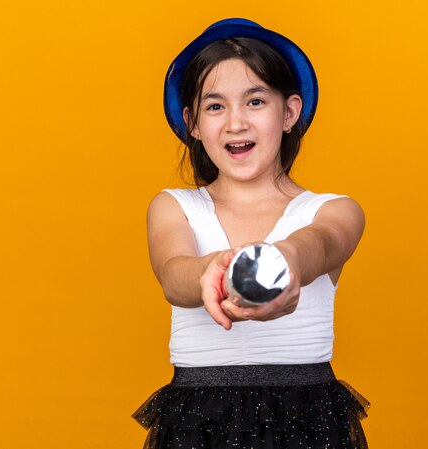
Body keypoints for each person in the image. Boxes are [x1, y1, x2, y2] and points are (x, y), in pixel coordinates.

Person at [133, 18, 370, 449]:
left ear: (289, 113)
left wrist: (286, 261)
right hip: (196, 423)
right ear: (193, 123)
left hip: (307, 422)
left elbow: (318, 243)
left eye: (256, 101)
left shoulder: (335, 210)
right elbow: (174, 273)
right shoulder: (175, 207)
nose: (236, 123)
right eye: (215, 106)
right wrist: (211, 269)